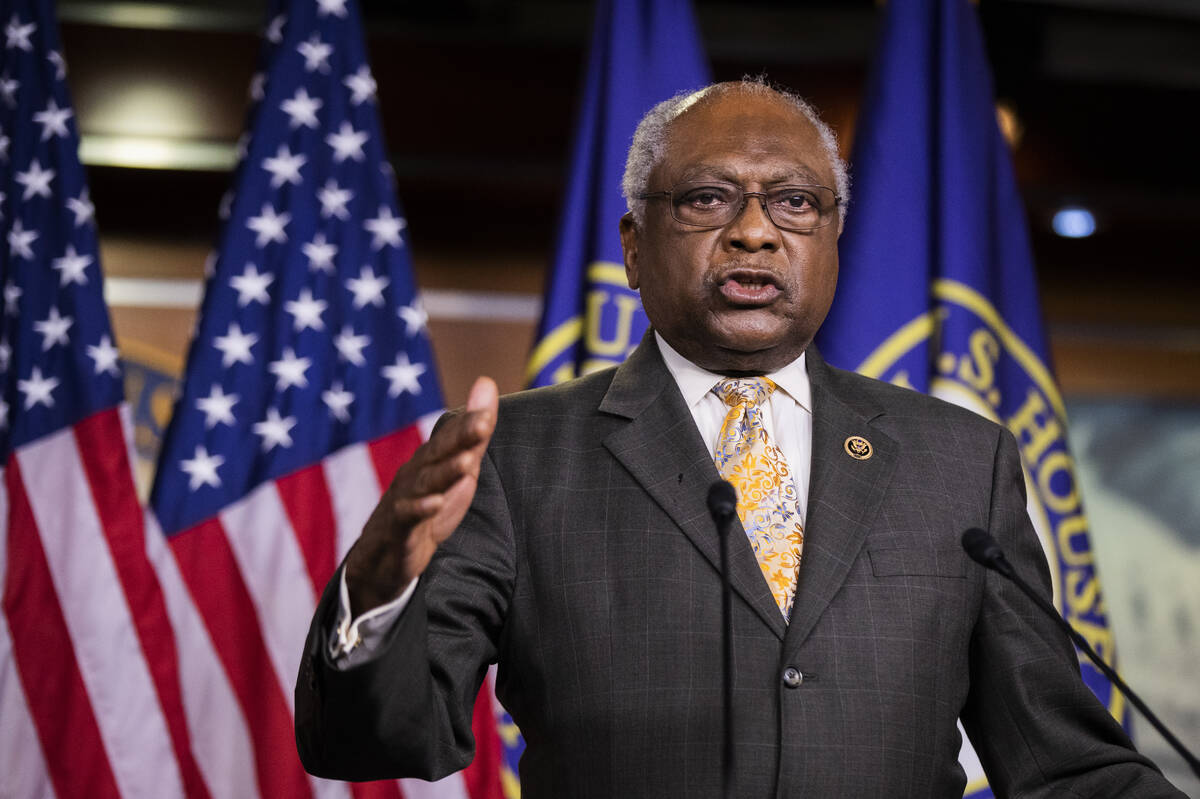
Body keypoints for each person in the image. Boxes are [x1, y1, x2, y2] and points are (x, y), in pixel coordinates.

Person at [295, 80, 1182, 798]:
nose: (755, 229)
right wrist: (377, 587)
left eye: (795, 201)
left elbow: (1062, 764)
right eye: (709, 198)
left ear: (834, 239)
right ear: (635, 248)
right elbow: (378, 738)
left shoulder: (960, 460)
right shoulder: (519, 456)